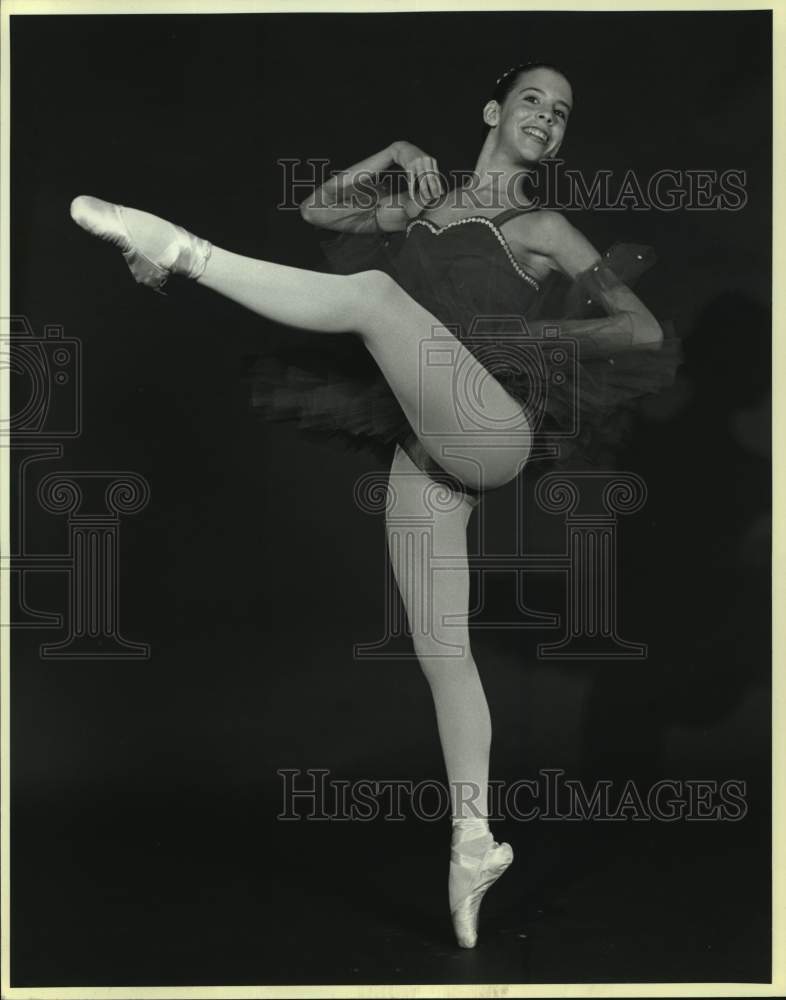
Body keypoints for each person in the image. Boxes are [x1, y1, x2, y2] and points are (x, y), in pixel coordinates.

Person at [69, 62, 682, 949]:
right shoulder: (424, 211)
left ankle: (183, 253)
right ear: (494, 110)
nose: (547, 117)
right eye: (532, 100)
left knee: (372, 298)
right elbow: (322, 210)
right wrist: (392, 152)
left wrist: (534, 334)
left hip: (493, 423)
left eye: (562, 112)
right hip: (430, 454)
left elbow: (642, 328)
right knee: (443, 653)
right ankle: (475, 843)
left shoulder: (541, 225)